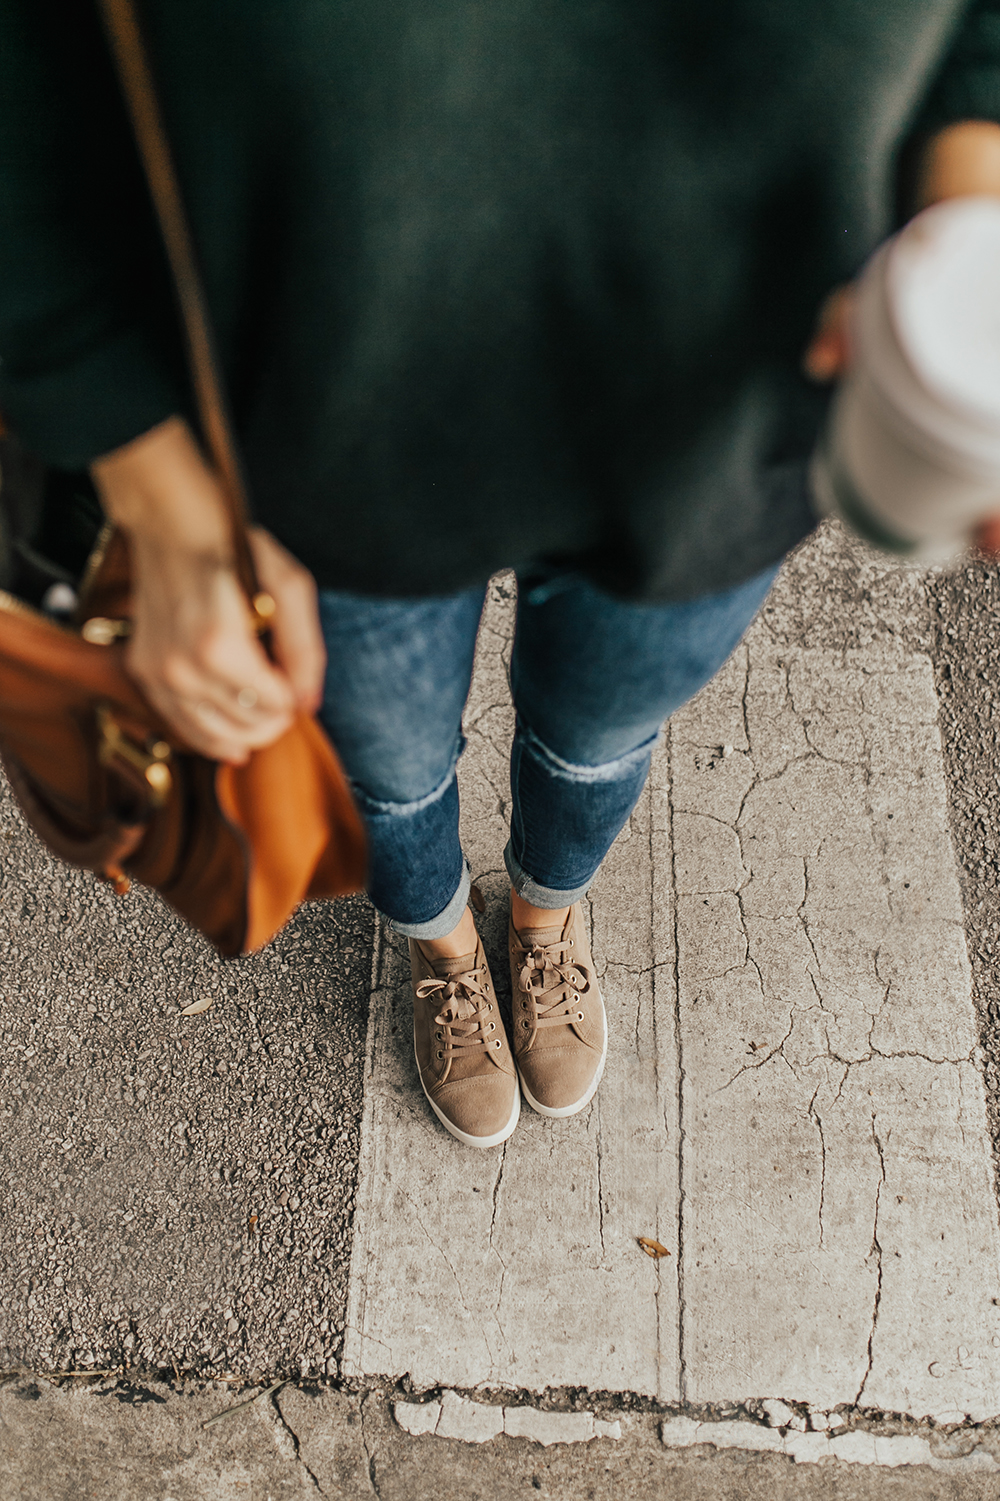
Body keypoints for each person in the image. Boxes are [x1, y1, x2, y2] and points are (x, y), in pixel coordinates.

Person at [3, 2, 1000, 1148]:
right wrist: (147, 476)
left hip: (719, 422)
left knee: (596, 745)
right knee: (384, 772)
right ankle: (438, 944)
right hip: (324, 406)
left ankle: (544, 917)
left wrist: (966, 203)